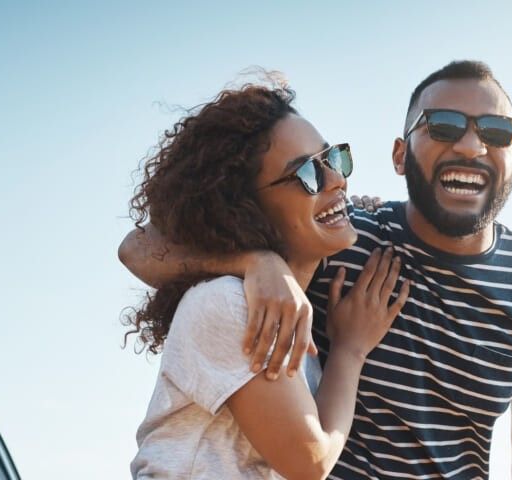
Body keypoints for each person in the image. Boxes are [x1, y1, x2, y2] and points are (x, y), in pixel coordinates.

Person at [120, 61, 512, 480]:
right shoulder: (328, 242)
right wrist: (255, 261)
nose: (471, 146)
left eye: (497, 131)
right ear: (400, 156)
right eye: (442, 127)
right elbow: (140, 247)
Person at [123, 78, 410, 479]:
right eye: (308, 174)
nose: (336, 181)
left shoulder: (280, 314)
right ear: (246, 207)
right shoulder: (227, 303)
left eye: (334, 160)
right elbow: (310, 462)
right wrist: (350, 350)